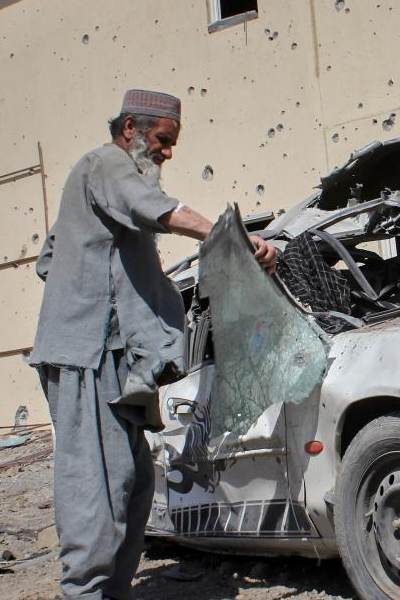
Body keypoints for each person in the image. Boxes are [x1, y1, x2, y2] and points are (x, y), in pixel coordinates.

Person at [29, 89, 277, 600]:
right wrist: (230, 236)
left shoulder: (99, 192)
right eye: (163, 141)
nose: (168, 153)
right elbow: (159, 209)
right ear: (130, 131)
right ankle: (85, 592)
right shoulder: (106, 164)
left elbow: (50, 258)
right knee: (97, 492)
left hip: (113, 359)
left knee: (136, 487)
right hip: (85, 359)